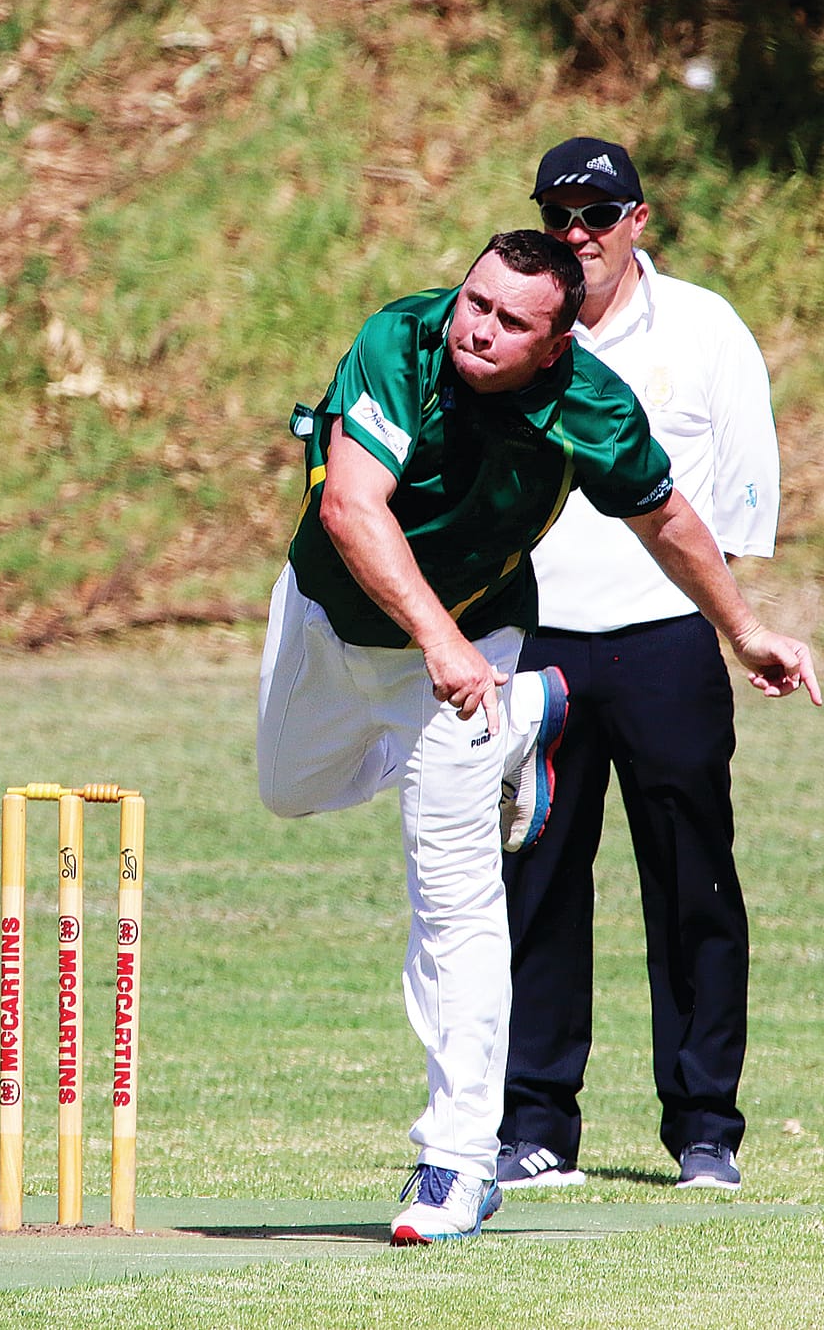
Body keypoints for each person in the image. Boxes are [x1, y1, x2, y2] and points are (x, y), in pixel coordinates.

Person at [256, 229, 817, 1246]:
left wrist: (743, 629)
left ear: (554, 345)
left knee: (454, 893)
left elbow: (666, 519)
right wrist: (428, 637)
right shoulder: (401, 341)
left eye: (510, 322)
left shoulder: (589, 404)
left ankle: (456, 1164)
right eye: (475, 301)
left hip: (474, 643)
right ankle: (520, 726)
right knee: (287, 790)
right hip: (333, 621)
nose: (476, 328)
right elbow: (347, 508)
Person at [497, 139, 783, 1193]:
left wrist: (736, 618)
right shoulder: (515, 320)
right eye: (559, 214)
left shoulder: (703, 326)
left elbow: (743, 485)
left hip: (665, 641)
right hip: (537, 644)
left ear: (636, 220)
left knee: (691, 885)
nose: (577, 235)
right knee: (535, 885)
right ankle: (533, 1123)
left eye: (597, 215)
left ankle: (704, 1127)